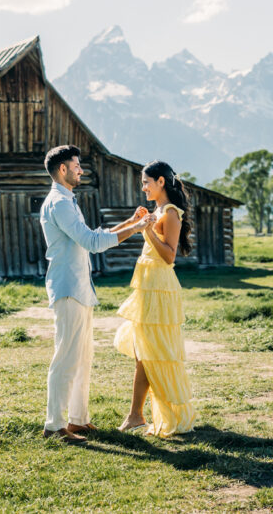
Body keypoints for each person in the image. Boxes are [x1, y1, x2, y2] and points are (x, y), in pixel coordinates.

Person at [39, 144, 150, 444]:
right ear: (63, 169)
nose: (81, 170)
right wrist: (137, 227)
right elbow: (92, 242)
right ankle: (54, 425)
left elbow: (92, 235)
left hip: (79, 288)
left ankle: (77, 421)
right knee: (66, 358)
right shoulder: (59, 203)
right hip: (68, 288)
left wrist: (129, 222)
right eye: (76, 165)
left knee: (82, 358)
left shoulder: (67, 200)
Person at [114, 160, 197, 437]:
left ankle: (136, 415)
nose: (143, 187)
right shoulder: (157, 211)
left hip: (160, 288)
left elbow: (170, 255)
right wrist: (141, 222)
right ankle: (136, 414)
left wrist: (147, 230)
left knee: (150, 353)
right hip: (148, 287)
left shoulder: (171, 212)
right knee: (143, 352)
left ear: (161, 181)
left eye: (146, 182)